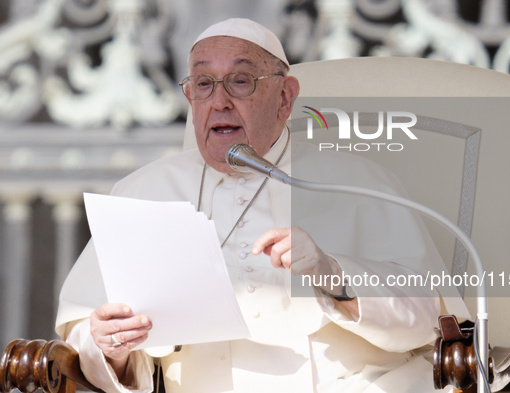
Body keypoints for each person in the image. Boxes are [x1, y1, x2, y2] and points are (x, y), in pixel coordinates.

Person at [56, 18, 466, 393]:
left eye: (240, 81)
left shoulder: (360, 182)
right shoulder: (144, 190)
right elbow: (83, 331)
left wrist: (333, 275)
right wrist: (110, 347)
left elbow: (425, 318)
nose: (218, 102)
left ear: (285, 97)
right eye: (203, 84)